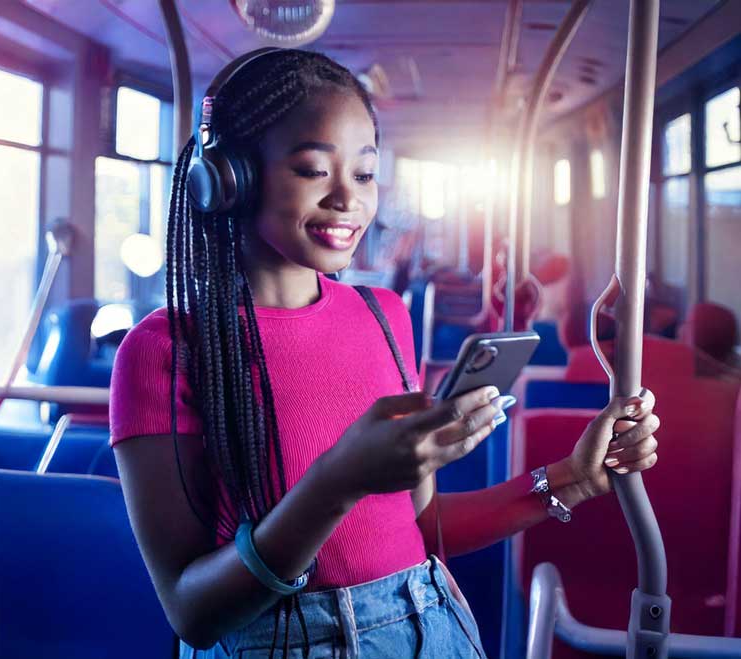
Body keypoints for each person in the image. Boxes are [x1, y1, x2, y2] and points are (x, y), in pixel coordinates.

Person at [109, 48, 660, 658]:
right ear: (230, 178)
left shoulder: (383, 315)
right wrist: (337, 482)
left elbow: (419, 530)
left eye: (365, 175)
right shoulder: (164, 352)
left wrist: (571, 480)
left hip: (433, 625)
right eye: (315, 170)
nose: (349, 200)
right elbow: (191, 612)